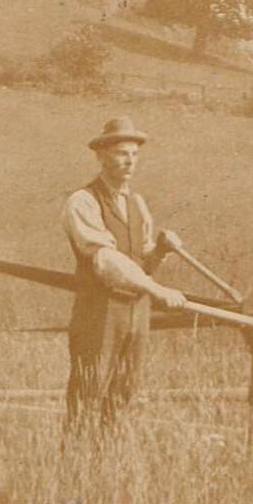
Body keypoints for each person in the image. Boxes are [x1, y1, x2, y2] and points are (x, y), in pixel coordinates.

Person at [62, 117, 187, 431]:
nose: (129, 160)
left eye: (134, 154)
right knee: (88, 394)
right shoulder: (83, 201)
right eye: (121, 153)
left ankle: (108, 465)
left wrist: (159, 250)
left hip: (136, 312)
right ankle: (76, 468)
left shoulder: (137, 203)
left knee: (123, 393)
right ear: (101, 155)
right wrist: (156, 290)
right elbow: (106, 260)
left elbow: (142, 264)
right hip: (100, 311)